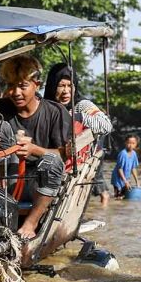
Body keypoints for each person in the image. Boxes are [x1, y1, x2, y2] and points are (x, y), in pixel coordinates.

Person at [0, 55, 72, 245]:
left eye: (22, 86)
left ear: (37, 85)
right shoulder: (0, 107)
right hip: (5, 182)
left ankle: (30, 223)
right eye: (10, 86)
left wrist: (35, 150)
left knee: (52, 160)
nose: (15, 92)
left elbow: (64, 154)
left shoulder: (55, 112)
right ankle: (1, 221)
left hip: (39, 185)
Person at [43, 63, 115, 207]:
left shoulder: (81, 105)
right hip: (51, 160)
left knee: (101, 188)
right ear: (52, 86)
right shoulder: (45, 106)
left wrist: (77, 117)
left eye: (70, 85)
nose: (66, 91)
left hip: (81, 161)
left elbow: (106, 125)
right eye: (61, 85)